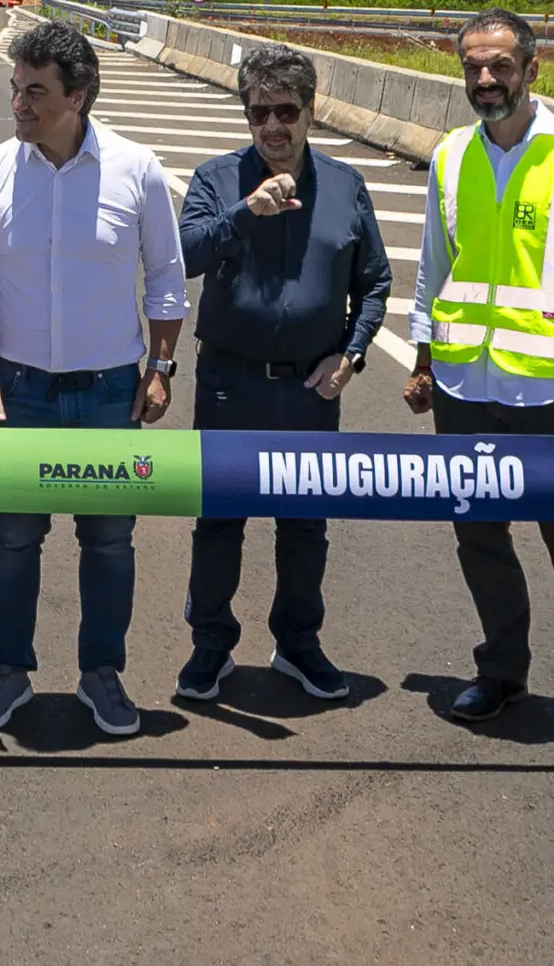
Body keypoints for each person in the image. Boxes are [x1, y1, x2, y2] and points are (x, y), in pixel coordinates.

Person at [404, 7, 554, 757]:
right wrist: (420, 359)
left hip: (548, 390)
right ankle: (502, 670)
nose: (485, 79)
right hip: (463, 384)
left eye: (500, 66)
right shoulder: (450, 156)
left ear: (532, 69)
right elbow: (433, 267)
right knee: (479, 535)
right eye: (473, 67)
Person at [0, 20, 187, 737]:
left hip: (110, 389)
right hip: (20, 388)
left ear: (77, 97)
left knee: (109, 540)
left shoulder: (136, 169)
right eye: (16, 88)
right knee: (14, 539)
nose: (19, 103)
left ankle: (101, 673)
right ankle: (8, 671)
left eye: (35, 91)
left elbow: (167, 279)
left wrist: (160, 369)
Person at [175, 43, 392, 705]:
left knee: (304, 522)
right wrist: (247, 212)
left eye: (286, 111)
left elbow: (376, 282)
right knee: (219, 519)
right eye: (258, 112)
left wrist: (351, 352)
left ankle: (298, 642)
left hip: (308, 387)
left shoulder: (346, 185)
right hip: (228, 381)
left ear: (310, 110)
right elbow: (182, 255)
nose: (272, 126)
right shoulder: (218, 178)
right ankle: (211, 646)